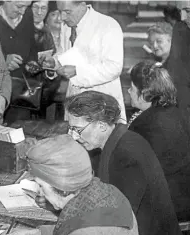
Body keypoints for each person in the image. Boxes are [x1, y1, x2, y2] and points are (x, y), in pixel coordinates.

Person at [66, 91, 182, 235]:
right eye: (70, 128)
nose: (73, 136)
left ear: (102, 125)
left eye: (77, 129)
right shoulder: (111, 142)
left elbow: (119, 218)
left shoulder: (126, 154)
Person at [11, 134, 138, 235]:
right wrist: (39, 232)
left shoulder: (83, 230)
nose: (40, 193)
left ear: (60, 185)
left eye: (41, 186)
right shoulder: (109, 192)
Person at [43, 1, 126, 123]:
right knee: (75, 136)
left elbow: (114, 67)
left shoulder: (108, 25)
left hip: (102, 98)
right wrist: (54, 62)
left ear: (82, 5)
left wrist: (77, 72)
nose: (62, 18)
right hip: (75, 96)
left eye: (67, 12)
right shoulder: (66, 26)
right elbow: (64, 52)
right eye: (60, 11)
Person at [128, 61, 190, 222]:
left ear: (145, 94)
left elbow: (135, 171)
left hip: (165, 207)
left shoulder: (144, 124)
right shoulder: (178, 113)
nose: (128, 91)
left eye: (132, 88)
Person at [164, 1, 190, 126]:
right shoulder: (180, 28)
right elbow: (176, 64)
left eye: (188, 11)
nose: (183, 17)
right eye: (180, 11)